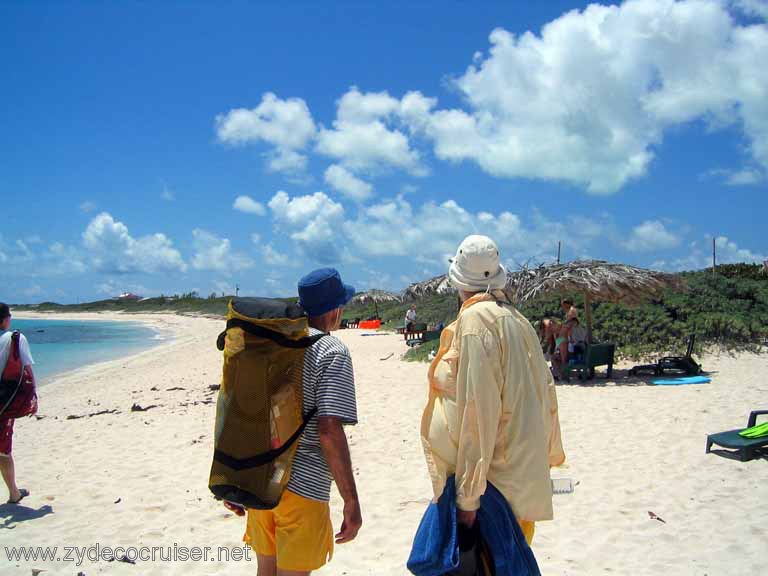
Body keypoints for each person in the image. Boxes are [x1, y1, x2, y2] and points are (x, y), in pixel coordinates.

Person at [420, 235, 565, 547]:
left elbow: (479, 412)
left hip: (494, 486)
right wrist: (549, 456)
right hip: (518, 477)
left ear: (458, 279)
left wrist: (468, 499)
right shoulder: (517, 319)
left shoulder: (474, 321)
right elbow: (546, 393)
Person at [225, 268, 362, 576]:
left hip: (262, 479)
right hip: (304, 488)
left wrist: (234, 478)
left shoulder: (271, 343)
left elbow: (242, 410)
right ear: (335, 309)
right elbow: (328, 430)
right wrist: (350, 500)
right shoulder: (331, 350)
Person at [0, 303, 35, 505]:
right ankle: (14, 493)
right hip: (4, 401)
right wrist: (33, 398)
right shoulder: (15, 339)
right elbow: (27, 371)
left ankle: (14, 492)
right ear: (6, 319)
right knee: (3, 450)